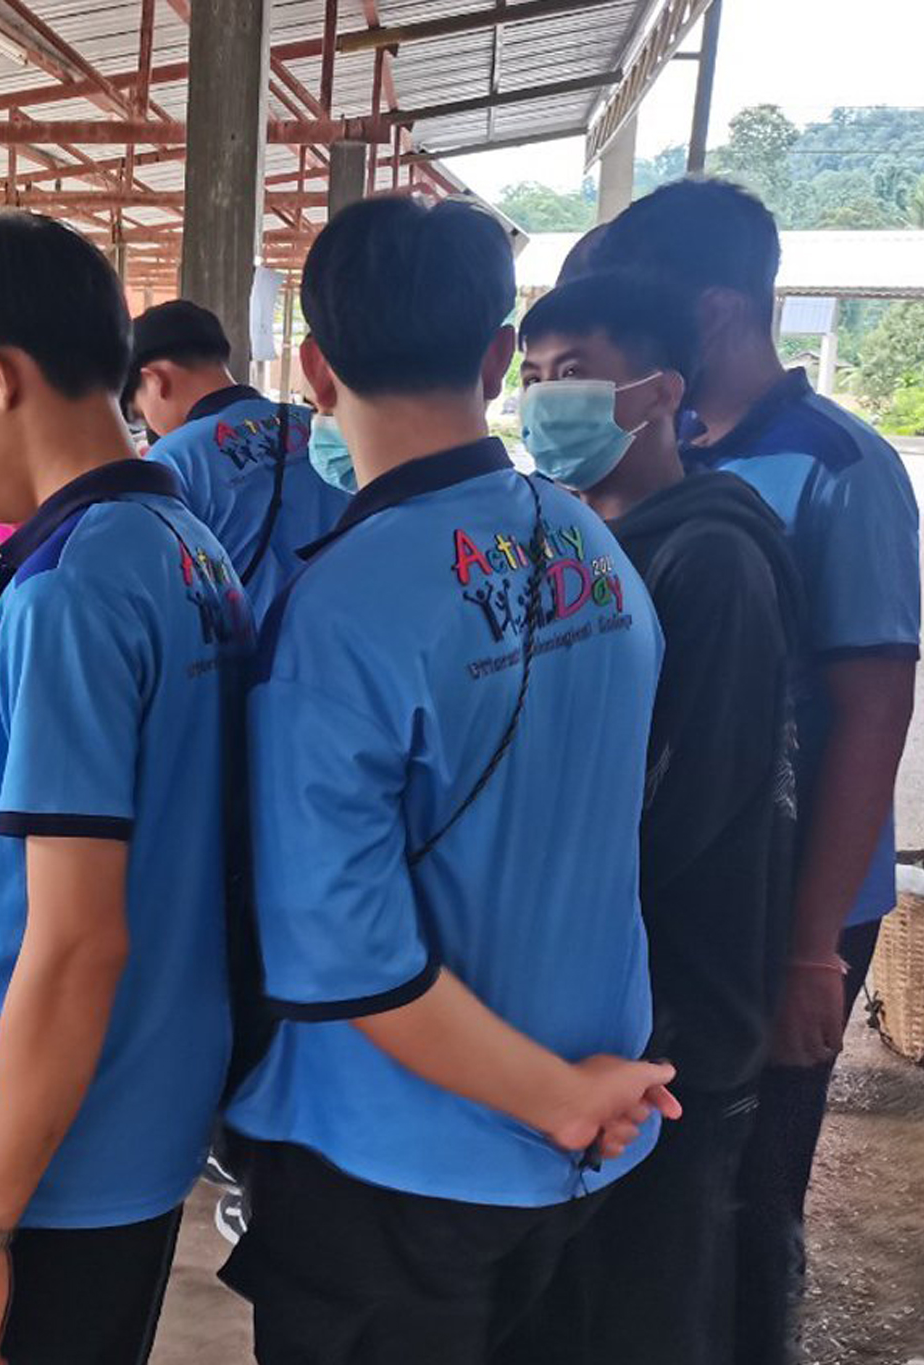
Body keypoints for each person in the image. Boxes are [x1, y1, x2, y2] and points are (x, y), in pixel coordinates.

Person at [220, 197, 680, 1365]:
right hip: (588, 1124)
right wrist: (573, 1104)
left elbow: (347, 958)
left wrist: (548, 1097)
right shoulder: (593, 548)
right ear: (494, 356)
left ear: (314, 371)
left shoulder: (335, 612)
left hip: (397, 1159)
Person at [0, 213, 251, 1365]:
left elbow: (76, 940)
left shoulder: (67, 591)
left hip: (24, 1164)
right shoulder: (186, 546)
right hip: (134, 1126)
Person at [592, 179, 920, 1363]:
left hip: (789, 904)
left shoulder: (838, 467)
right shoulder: (669, 450)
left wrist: (806, 947)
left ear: (716, 309)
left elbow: (871, 706)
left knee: (751, 1192)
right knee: (669, 1183)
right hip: (687, 891)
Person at [502, 272, 802, 1365]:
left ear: (658, 389)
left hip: (672, 1003)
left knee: (642, 1300)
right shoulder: (586, 541)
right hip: (605, 995)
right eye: (531, 379)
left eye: (571, 374)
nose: (544, 402)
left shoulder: (708, 553)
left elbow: (678, 809)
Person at [126, 298, 350, 622]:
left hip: (262, 659)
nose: (149, 424)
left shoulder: (171, 462)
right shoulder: (319, 427)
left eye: (139, 411)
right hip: (353, 637)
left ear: (155, 380)